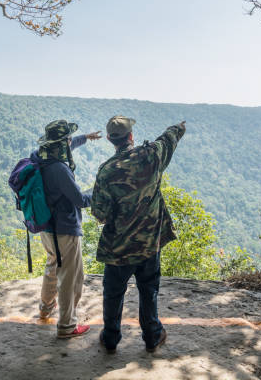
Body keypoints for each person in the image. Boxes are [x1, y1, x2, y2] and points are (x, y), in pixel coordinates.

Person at [91, 116, 186, 353]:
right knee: (149, 289)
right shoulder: (151, 156)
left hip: (118, 248)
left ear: (112, 140)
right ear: (131, 136)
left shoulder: (106, 172)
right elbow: (169, 138)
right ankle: (152, 336)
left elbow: (99, 213)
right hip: (148, 243)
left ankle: (111, 338)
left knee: (113, 293)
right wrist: (178, 127)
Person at [30, 119, 101, 338]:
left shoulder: (39, 157)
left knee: (53, 267)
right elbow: (79, 200)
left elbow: (67, 144)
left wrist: (85, 138)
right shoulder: (60, 169)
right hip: (65, 230)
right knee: (71, 278)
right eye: (69, 139)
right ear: (63, 143)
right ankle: (67, 326)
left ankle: (45, 307)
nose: (71, 142)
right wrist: (99, 193)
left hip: (46, 228)